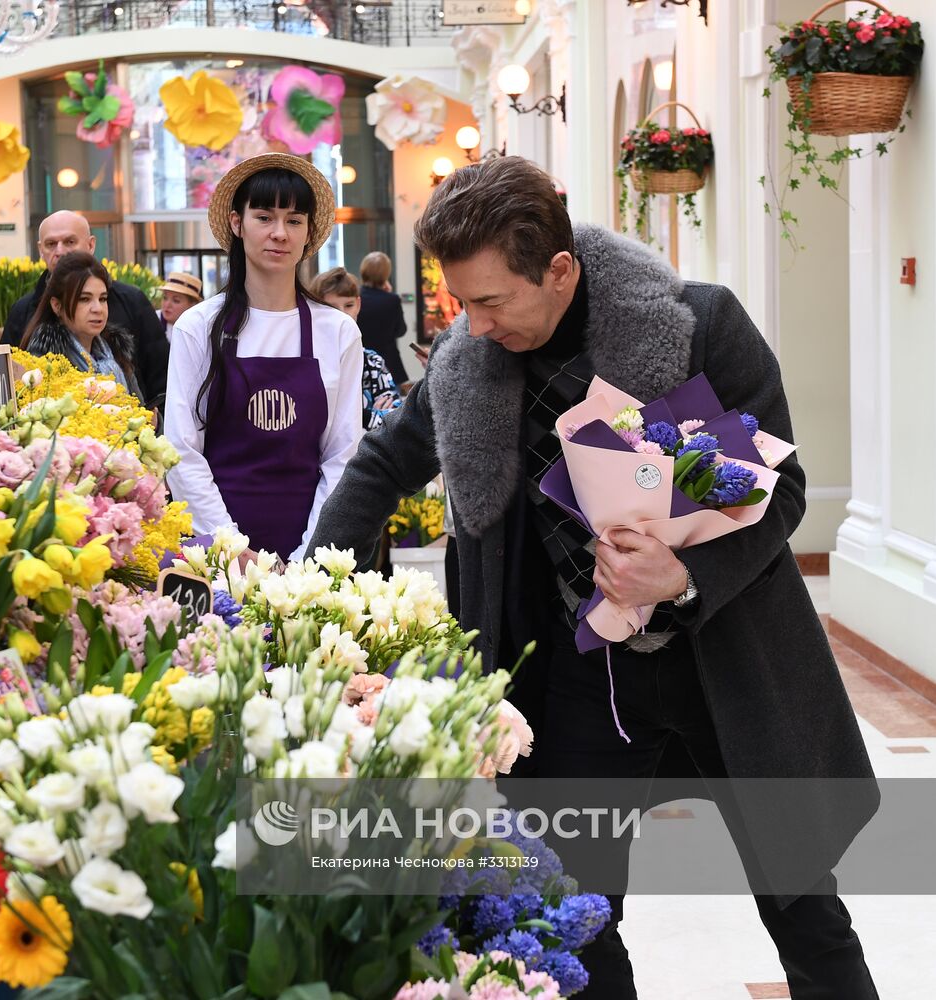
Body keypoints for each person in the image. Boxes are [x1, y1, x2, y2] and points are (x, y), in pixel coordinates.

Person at [309, 157, 879, 1000]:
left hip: (725, 660)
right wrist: (307, 592)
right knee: (572, 912)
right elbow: (379, 467)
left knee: (799, 897)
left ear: (561, 270)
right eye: (460, 302)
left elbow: (781, 490)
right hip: (573, 681)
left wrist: (681, 573)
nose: (474, 325)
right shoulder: (470, 365)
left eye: (493, 300)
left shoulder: (698, 325)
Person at [165, 153, 362, 564]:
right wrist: (233, 550)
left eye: (294, 220)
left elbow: (342, 456)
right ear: (237, 224)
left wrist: (307, 556)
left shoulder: (338, 332)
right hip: (215, 552)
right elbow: (181, 451)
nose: (280, 233)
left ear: (308, 233)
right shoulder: (197, 327)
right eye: (264, 217)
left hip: (310, 554)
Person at [1, 211, 168, 408]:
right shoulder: (24, 312)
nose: (60, 251)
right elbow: (7, 389)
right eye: (51, 244)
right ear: (40, 250)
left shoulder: (131, 302)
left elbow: (161, 377)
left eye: (70, 242)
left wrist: (153, 422)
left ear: (91, 245)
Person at [21, 251, 142, 399]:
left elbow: (140, 409)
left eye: (103, 299)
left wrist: (154, 421)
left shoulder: (116, 351)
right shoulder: (45, 362)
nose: (97, 309)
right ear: (57, 305)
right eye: (85, 299)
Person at [310, 266, 403, 430]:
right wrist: (369, 416)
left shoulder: (372, 361)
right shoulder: (306, 360)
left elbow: (396, 422)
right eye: (331, 307)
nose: (343, 315)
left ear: (358, 305)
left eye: (349, 305)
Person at [357, 250, 410, 388]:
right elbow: (401, 330)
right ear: (386, 274)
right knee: (390, 406)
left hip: (359, 362)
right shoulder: (392, 300)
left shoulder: (355, 298)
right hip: (388, 363)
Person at [158, 271, 203, 342]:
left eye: (176, 300)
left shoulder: (200, 331)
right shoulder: (151, 321)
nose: (167, 304)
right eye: (165, 297)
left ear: (193, 305)